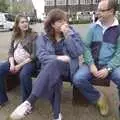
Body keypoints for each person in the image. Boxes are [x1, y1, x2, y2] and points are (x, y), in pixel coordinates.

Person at [9, 9, 85, 120]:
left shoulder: (72, 34)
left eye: (65, 20)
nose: (65, 23)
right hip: (51, 69)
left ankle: (29, 101)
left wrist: (67, 35)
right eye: (60, 21)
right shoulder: (43, 38)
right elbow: (42, 56)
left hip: (68, 69)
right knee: (55, 77)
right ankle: (56, 115)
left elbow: (76, 52)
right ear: (52, 24)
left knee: (53, 68)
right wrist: (58, 58)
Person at [73, 0, 120, 117]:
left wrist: (108, 68)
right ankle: (99, 98)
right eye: (98, 9)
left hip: (110, 66)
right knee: (78, 79)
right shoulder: (93, 27)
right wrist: (91, 64)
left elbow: (119, 53)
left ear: (111, 11)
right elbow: (86, 47)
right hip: (92, 63)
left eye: (102, 10)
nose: (98, 12)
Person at [0, 14, 38, 106]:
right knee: (0, 69)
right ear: (17, 24)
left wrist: (19, 66)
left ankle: (27, 103)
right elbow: (10, 51)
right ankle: (2, 99)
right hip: (15, 62)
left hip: (29, 62)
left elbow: (34, 55)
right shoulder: (15, 35)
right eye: (22, 22)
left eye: (26, 22)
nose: (25, 24)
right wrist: (12, 64)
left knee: (24, 75)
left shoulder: (34, 35)